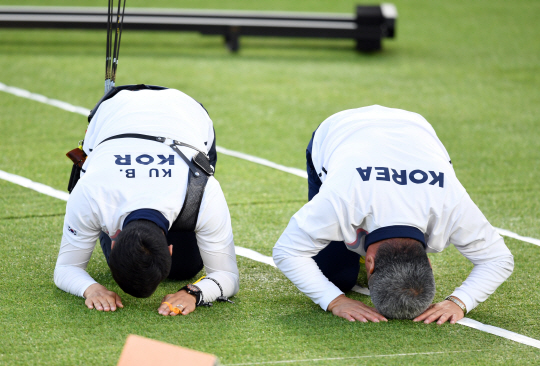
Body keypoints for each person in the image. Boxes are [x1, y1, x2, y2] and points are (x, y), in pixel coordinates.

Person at [273, 105, 514, 324]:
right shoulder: (340, 199)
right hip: (340, 129)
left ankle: (354, 253)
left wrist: (460, 301)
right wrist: (334, 299)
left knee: (333, 274)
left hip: (414, 128)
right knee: (336, 279)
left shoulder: (451, 204)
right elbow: (287, 250)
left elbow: (499, 260)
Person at [54, 86, 239, 316]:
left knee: (186, 267)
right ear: (168, 249)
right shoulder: (90, 191)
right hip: (113, 115)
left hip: (187, 111)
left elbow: (229, 276)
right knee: (175, 263)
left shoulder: (202, 191)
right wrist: (90, 288)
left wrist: (193, 291)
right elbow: (65, 268)